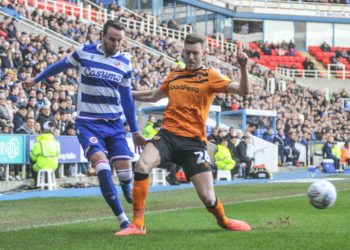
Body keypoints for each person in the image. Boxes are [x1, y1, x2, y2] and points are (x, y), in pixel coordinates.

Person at [116, 33, 251, 236]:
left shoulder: (210, 76)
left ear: (203, 53)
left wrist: (243, 67)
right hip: (168, 136)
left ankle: (223, 220)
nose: (191, 57)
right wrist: (125, 92)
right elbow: (153, 95)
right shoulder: (175, 75)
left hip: (193, 143)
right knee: (142, 165)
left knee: (208, 198)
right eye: (187, 52)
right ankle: (137, 224)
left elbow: (243, 91)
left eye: (195, 53)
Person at [24, 20, 145, 230]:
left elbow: (127, 99)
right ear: (102, 36)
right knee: (103, 168)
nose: (116, 44)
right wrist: (38, 79)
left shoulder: (125, 63)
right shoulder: (84, 53)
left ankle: (125, 183)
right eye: (112, 39)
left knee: (125, 173)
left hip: (115, 124)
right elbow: (60, 65)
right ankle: (123, 220)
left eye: (119, 41)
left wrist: (134, 130)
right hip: (88, 123)